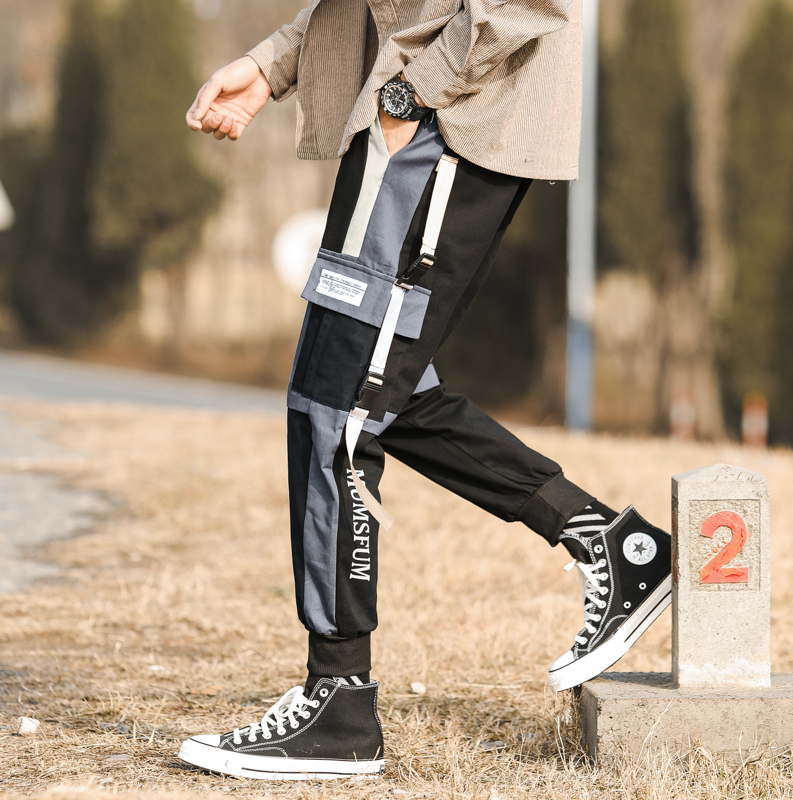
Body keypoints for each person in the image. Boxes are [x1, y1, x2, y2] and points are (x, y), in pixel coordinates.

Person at [178, 0, 671, 781]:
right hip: (412, 122)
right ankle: (611, 543)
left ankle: (339, 706)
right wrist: (275, 62)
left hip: (442, 124)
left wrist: (414, 96)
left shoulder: (422, 104)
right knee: (370, 392)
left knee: (339, 408)